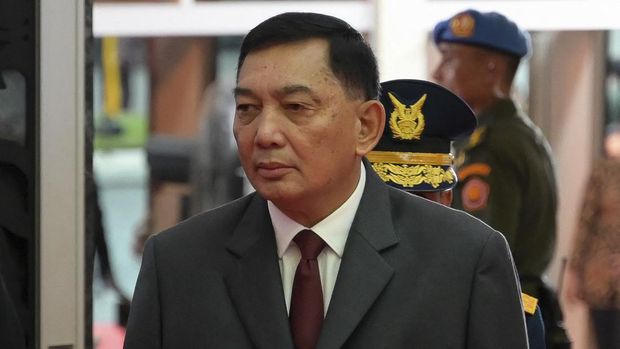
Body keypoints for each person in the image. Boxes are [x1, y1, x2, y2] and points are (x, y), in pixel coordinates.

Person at [124, 12, 527, 348]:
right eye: (247, 107)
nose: (264, 133)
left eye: (296, 107)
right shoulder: (179, 265)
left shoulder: (464, 260)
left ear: (366, 126)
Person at [369, 78, 545, 349]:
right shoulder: (328, 292)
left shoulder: (504, 309)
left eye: (420, 199)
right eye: (388, 198)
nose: (406, 212)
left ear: (447, 199)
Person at [432, 9, 569, 348]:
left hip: (502, 315)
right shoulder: (514, 133)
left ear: (491, 68)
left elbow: (482, 248)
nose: (438, 73)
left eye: (450, 61)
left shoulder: (494, 145)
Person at [566, 123, 620, 348]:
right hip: (601, 276)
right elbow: (585, 221)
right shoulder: (602, 172)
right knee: (605, 339)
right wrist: (575, 272)